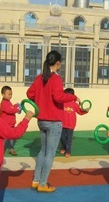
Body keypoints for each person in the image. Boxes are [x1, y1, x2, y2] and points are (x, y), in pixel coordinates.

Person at [26, 50, 78, 193]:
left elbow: (30, 94)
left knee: (43, 151)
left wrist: (40, 101)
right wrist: (73, 97)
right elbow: (59, 97)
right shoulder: (55, 79)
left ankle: (36, 180)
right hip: (54, 121)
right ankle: (42, 183)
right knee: (50, 153)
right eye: (60, 63)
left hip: (41, 120)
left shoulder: (39, 78)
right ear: (57, 63)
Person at [59, 88, 88, 157]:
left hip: (70, 125)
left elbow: (80, 111)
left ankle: (68, 151)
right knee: (62, 137)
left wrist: (85, 110)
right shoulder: (61, 103)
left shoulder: (74, 104)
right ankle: (63, 147)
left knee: (69, 139)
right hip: (62, 124)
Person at [0, 85, 21, 156]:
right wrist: (17, 109)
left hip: (11, 124)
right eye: (9, 94)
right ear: (3, 94)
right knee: (4, 138)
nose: (10, 96)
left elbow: (11, 108)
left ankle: (11, 148)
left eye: (11, 94)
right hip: (5, 124)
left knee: (11, 137)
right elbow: (9, 110)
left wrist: (16, 105)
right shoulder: (3, 103)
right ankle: (0, 150)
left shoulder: (8, 102)